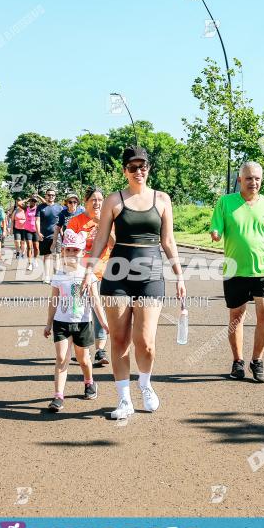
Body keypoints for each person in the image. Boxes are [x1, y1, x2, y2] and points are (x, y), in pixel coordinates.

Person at [83, 147, 186, 419]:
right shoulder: (114, 201)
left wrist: (179, 275)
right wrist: (88, 271)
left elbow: (168, 241)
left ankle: (145, 384)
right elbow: (101, 239)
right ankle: (123, 399)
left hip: (150, 275)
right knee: (119, 338)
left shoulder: (162, 199)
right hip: (117, 276)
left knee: (145, 341)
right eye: (132, 167)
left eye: (143, 166)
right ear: (124, 170)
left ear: (149, 168)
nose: (139, 171)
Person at [210, 161, 264, 383]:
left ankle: (257, 361)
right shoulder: (226, 203)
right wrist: (216, 233)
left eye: (257, 178)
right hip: (235, 271)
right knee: (236, 317)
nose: (253, 182)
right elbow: (216, 226)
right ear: (239, 180)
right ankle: (238, 362)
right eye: (248, 178)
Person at [44, 229, 109, 412]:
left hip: (83, 322)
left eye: (76, 250)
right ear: (63, 251)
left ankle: (89, 382)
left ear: (82, 253)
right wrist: (49, 323)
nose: (72, 254)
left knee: (83, 359)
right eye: (68, 250)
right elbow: (53, 301)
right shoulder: (58, 275)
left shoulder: (88, 275)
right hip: (61, 323)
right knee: (61, 357)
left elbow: (96, 301)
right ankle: (58, 396)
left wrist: (103, 323)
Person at [67, 187, 111, 367]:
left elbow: (114, 243)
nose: (97, 203)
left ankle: (100, 350)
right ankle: (79, 347)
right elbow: (69, 248)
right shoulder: (76, 221)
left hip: (103, 271)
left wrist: (103, 224)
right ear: (85, 202)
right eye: (93, 199)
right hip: (79, 272)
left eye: (100, 199)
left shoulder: (108, 220)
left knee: (97, 308)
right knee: (77, 310)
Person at [36, 188, 63, 283]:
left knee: (57, 256)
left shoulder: (59, 208)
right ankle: (47, 276)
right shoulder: (40, 207)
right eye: (49, 195)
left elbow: (61, 223)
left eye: (53, 195)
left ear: (55, 196)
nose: (51, 196)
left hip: (57, 235)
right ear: (46, 196)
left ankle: (57, 277)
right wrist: (38, 232)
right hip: (44, 235)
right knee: (47, 256)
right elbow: (37, 220)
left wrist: (63, 234)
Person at [23, 195, 39, 271]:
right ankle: (29, 264)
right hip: (27, 230)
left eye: (35, 201)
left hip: (36, 230)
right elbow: (19, 203)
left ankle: (35, 260)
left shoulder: (38, 209)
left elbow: (46, 203)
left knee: (36, 247)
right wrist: (27, 199)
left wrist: (38, 196)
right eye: (32, 201)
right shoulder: (27, 208)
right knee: (29, 247)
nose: (33, 202)